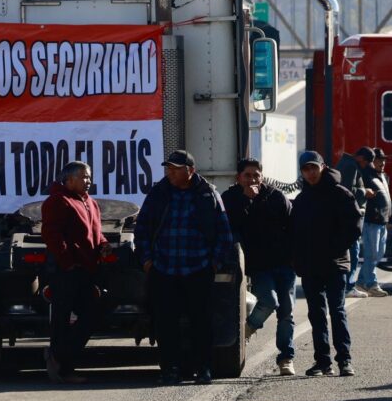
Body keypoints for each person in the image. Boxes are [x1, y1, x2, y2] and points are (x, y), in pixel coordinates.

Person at [134, 150, 234, 386]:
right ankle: (170, 369)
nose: (170, 172)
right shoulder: (159, 193)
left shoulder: (208, 194)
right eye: (168, 168)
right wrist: (147, 260)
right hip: (164, 270)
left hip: (198, 269)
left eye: (175, 168)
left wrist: (213, 263)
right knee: (166, 324)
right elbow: (142, 229)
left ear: (190, 171)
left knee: (201, 322)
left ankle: (204, 369)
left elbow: (224, 234)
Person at [289, 150, 362, 377]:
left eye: (314, 167)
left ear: (323, 167)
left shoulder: (340, 194)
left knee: (337, 311)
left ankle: (345, 361)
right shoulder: (302, 199)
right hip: (311, 266)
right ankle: (322, 362)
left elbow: (354, 226)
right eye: (306, 169)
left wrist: (335, 249)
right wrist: (298, 261)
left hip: (335, 263)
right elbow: (295, 234)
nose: (310, 173)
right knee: (316, 314)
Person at [222, 158, 296, 376]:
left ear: (262, 176)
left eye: (256, 175)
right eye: (248, 175)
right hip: (258, 266)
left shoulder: (275, 196)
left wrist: (293, 257)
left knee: (287, 313)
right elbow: (232, 227)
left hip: (283, 263)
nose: (252, 179)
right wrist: (247, 202)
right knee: (268, 302)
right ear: (239, 178)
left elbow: (290, 225)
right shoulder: (232, 198)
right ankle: (249, 327)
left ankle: (286, 358)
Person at [41, 161, 112, 383]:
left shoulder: (90, 202)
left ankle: (59, 356)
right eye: (83, 177)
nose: (88, 181)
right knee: (62, 319)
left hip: (88, 270)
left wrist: (103, 244)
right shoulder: (57, 201)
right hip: (67, 271)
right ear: (68, 179)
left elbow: (96, 232)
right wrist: (68, 261)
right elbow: (52, 235)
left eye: (89, 177)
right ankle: (63, 369)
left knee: (92, 315)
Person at [336, 147, 376, 298]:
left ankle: (347, 285)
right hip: (349, 217)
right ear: (360, 158)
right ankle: (349, 286)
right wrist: (365, 192)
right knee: (353, 252)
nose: (366, 166)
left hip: (347, 216)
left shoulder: (348, 164)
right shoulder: (351, 166)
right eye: (366, 162)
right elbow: (347, 190)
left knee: (352, 251)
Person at [357, 148, 391, 297]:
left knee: (378, 253)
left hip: (383, 221)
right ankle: (371, 283)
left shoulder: (382, 176)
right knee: (372, 254)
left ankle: (362, 280)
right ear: (371, 161)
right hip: (372, 221)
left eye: (384, 159)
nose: (382, 162)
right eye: (379, 159)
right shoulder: (366, 175)